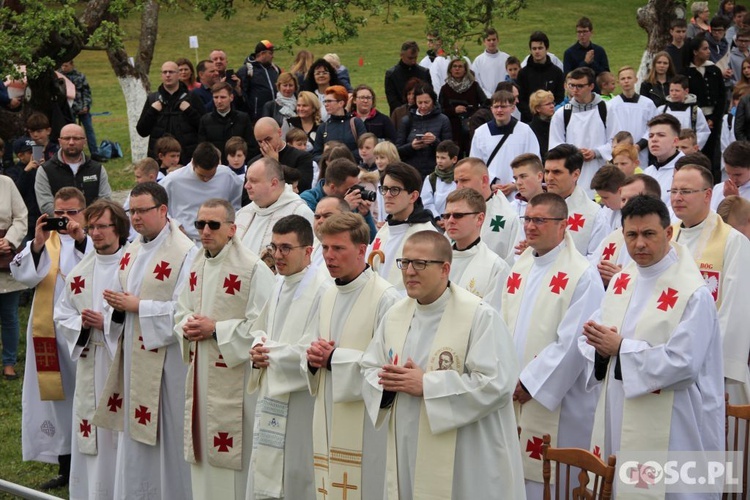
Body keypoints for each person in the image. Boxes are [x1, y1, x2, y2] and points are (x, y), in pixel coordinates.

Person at [360, 231, 525, 499]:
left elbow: (497, 383)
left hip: (465, 453)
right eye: (405, 263)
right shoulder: (395, 315)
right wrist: (387, 384)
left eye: (420, 263)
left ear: (445, 269)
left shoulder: (479, 316)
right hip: (407, 443)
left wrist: (426, 384)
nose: (410, 272)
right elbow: (369, 367)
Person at [580, 195, 724, 498]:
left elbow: (684, 363)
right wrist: (600, 346)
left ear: (668, 233)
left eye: (649, 234)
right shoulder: (623, 281)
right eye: (631, 235)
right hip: (619, 408)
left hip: (674, 419)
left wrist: (620, 348)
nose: (639, 244)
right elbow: (594, 337)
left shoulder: (692, 292)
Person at [90, 182, 196, 499]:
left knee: (167, 433)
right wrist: (118, 309)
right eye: (131, 211)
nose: (135, 218)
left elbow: (185, 309)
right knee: (136, 435)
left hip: (166, 365)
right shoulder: (134, 249)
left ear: (163, 210)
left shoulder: (184, 252)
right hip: (135, 358)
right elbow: (123, 300)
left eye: (142, 211)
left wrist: (138, 307)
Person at [503, 192, 604, 498]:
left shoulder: (582, 274)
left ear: (563, 225)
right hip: (512, 388)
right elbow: (501, 324)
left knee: (549, 482)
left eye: (540, 220)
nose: (531, 227)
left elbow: (574, 342)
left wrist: (531, 383)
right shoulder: (519, 266)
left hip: (555, 398)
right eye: (528, 219)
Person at [174, 198, 275, 499]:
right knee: (204, 449)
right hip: (201, 375)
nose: (205, 231)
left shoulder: (253, 269)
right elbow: (181, 310)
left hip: (238, 381)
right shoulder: (197, 263)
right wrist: (186, 327)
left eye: (213, 225)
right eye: (200, 224)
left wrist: (216, 330)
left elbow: (264, 329)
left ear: (232, 229)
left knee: (234, 458)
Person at [302, 211, 400, 500]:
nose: (329, 256)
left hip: (367, 425)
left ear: (361, 250)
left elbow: (386, 368)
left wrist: (334, 359)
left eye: (338, 248)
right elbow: (310, 344)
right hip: (327, 411)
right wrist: (311, 358)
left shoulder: (386, 298)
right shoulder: (327, 293)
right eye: (325, 248)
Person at [246, 215, 331, 499]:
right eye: (274, 247)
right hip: (272, 393)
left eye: (286, 248)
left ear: (308, 251)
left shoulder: (323, 289)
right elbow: (260, 328)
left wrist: (268, 353)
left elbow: (313, 349)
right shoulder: (279, 283)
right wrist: (257, 347)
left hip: (300, 401)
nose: (277, 256)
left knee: (297, 474)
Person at [10, 187, 89, 490]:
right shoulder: (45, 242)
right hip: (48, 334)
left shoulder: (94, 241)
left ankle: (91, 463)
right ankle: (66, 467)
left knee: (85, 395)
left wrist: (82, 239)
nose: (65, 219)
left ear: (83, 212)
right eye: (59, 213)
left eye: (71, 212)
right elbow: (23, 276)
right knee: (58, 401)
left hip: (83, 332)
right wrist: (37, 245)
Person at [53, 199, 129, 499]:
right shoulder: (80, 272)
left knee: (117, 433)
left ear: (118, 228)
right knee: (91, 431)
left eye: (102, 226)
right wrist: (84, 326)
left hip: (121, 360)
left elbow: (141, 311)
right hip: (90, 360)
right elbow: (62, 315)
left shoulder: (131, 266)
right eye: (91, 227)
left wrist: (108, 322)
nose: (95, 233)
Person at [670, 164, 750, 405]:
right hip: (667, 362)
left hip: (709, 368)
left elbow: (735, 309)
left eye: (685, 191)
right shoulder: (666, 237)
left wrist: (719, 369)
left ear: (707, 195)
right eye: (673, 191)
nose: (677, 197)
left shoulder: (732, 241)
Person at [368, 162, 437, 290]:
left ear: (413, 196)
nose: (387, 195)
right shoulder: (384, 230)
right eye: (385, 189)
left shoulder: (426, 235)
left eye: (395, 190)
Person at [159, 142, 244, 243]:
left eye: (211, 175)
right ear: (193, 163)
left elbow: (237, 205)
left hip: (220, 239)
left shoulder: (227, 175)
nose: (206, 179)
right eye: (202, 175)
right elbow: (159, 208)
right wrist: (174, 225)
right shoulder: (173, 180)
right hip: (186, 240)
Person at [590, 173, 663, 286]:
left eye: (633, 199)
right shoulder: (614, 236)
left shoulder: (662, 237)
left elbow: (661, 281)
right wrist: (600, 277)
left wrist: (622, 279)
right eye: (623, 199)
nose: (626, 206)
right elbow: (591, 266)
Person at [444, 188, 510, 311]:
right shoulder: (436, 260)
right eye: (447, 216)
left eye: (458, 215)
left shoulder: (496, 267)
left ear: (479, 219)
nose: (450, 221)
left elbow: (492, 318)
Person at [548, 67, 608, 197]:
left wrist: (596, 152)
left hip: (600, 174)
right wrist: (575, 154)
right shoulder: (562, 113)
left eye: (580, 86)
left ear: (591, 86)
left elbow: (616, 140)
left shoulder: (606, 109)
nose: (575, 90)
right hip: (573, 176)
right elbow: (554, 146)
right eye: (572, 85)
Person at [235, 157, 314, 255]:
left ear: (273, 183)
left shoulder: (300, 212)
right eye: (247, 180)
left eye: (253, 181)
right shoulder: (242, 213)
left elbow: (309, 258)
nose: (246, 186)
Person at [469, 90, 540, 199]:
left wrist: (515, 183)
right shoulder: (481, 133)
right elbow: (475, 164)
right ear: (491, 109)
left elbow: (533, 160)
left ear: (512, 108)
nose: (499, 110)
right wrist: (490, 184)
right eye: (496, 106)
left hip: (519, 191)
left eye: (503, 106)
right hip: (491, 191)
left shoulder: (525, 131)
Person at [453, 156, 521, 265]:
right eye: (456, 182)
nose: (459, 187)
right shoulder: (453, 215)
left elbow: (513, 262)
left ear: (484, 181)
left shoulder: (509, 218)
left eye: (464, 180)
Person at [136, 61, 206, 165]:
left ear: (178, 75)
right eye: (165, 72)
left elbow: (204, 126)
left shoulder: (192, 97)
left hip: (187, 158)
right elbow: (142, 131)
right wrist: (152, 111)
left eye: (171, 72)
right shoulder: (153, 99)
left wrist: (189, 111)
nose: (167, 75)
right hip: (159, 159)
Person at [544, 144, 608, 257]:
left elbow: (596, 259)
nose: (549, 178)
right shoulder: (536, 207)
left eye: (556, 172)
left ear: (575, 174)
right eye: (547, 171)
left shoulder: (594, 215)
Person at [35, 123, 112, 216]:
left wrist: (85, 219)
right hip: (59, 227)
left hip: (92, 226)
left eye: (76, 138)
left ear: (84, 142)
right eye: (67, 138)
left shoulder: (98, 169)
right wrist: (68, 219)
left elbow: (105, 200)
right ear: (60, 141)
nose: (71, 142)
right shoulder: (45, 171)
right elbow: (45, 205)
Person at [686, 35, 727, 178]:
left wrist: (714, 119)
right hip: (694, 118)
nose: (708, 51)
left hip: (713, 117)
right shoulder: (687, 72)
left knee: (712, 150)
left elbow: (722, 96)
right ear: (695, 52)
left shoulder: (714, 70)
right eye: (704, 49)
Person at [0, 175, 27, 381]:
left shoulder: (6, 183)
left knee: (9, 315)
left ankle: (9, 362)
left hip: (4, 256)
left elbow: (21, 217)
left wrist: (8, 240)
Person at [396, 84, 452, 179]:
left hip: (435, 172)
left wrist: (435, 141)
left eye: (427, 102)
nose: (423, 106)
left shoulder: (443, 120)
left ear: (433, 101)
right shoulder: (407, 120)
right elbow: (397, 150)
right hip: (412, 172)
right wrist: (411, 146)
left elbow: (450, 149)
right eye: (420, 102)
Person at [604, 66, 657, 168]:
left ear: (636, 79)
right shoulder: (611, 105)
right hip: (619, 152)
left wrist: (638, 146)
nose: (626, 81)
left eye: (629, 78)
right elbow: (609, 129)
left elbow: (652, 128)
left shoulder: (648, 104)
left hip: (641, 152)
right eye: (623, 79)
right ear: (618, 82)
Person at [250, 117, 315, 193]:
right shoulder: (253, 163)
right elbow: (246, 198)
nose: (265, 145)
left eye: (268, 139)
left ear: (279, 132)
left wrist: (275, 164)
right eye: (260, 142)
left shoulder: (302, 157)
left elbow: (303, 187)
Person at [438, 58, 487, 154]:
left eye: (460, 66)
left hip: (471, 126)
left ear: (465, 69)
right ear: (450, 70)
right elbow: (440, 109)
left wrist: (474, 114)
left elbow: (485, 103)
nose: (457, 69)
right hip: (453, 129)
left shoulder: (474, 86)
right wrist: (454, 110)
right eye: (454, 66)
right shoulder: (445, 89)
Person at [198, 82, 253, 164]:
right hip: (215, 167)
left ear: (231, 97)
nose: (219, 101)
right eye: (215, 97)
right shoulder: (205, 120)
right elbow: (203, 148)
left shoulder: (243, 118)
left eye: (223, 97)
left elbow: (251, 146)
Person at [517, 31, 565, 122]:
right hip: (529, 121)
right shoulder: (523, 73)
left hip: (552, 120)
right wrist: (534, 115)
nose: (537, 51)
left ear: (546, 48)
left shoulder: (557, 72)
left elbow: (560, 98)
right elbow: (520, 100)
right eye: (534, 48)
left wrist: (549, 113)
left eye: (540, 48)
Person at [655, 76, 711, 150]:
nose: (674, 94)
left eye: (677, 91)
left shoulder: (695, 111)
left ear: (686, 91)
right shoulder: (662, 110)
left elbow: (703, 132)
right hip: (667, 149)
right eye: (671, 90)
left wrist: (692, 147)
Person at [643, 113, 685, 212]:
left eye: (661, 135)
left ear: (675, 141)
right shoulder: (647, 172)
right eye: (651, 136)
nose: (654, 140)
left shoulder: (686, 169)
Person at [312, 85, 367, 162]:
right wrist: (329, 159)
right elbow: (316, 154)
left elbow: (365, 148)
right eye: (325, 101)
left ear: (341, 103)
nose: (326, 104)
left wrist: (343, 157)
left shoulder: (356, 122)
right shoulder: (323, 127)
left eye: (329, 101)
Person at [59, 60, 99, 159]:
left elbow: (86, 92)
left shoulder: (80, 76)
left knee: (89, 130)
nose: (64, 68)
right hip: (68, 110)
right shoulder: (59, 77)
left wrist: (86, 106)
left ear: (72, 65)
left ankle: (95, 152)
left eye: (66, 65)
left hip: (82, 108)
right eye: (63, 66)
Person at [238, 40, 282, 121]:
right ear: (262, 53)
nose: (272, 56)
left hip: (276, 116)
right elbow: (242, 94)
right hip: (256, 118)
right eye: (270, 53)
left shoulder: (275, 69)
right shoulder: (247, 70)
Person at [385, 41, 431, 115]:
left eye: (415, 58)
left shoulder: (424, 73)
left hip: (422, 113)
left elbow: (429, 95)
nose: (413, 61)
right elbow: (392, 100)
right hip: (400, 115)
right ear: (401, 55)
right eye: (410, 58)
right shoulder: (392, 75)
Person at [421, 140, 458, 220]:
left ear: (454, 159)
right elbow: (427, 203)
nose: (439, 161)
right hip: (436, 223)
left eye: (443, 158)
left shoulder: (459, 179)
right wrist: (436, 218)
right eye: (437, 157)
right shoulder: (431, 179)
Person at [471, 27, 511, 99]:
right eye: (489, 40)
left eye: (494, 39)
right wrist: (489, 96)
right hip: (486, 99)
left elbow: (510, 78)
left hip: (504, 98)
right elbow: (476, 82)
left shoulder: (506, 58)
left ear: (498, 40)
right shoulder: (478, 61)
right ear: (484, 42)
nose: (491, 42)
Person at [712, 141, 750, 210]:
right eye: (728, 173)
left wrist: (734, 201)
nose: (732, 179)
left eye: (738, 175)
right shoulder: (718, 189)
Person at [528, 90, 555, 158]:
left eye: (552, 103)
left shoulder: (556, 124)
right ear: (538, 108)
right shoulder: (530, 129)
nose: (552, 106)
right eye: (548, 104)